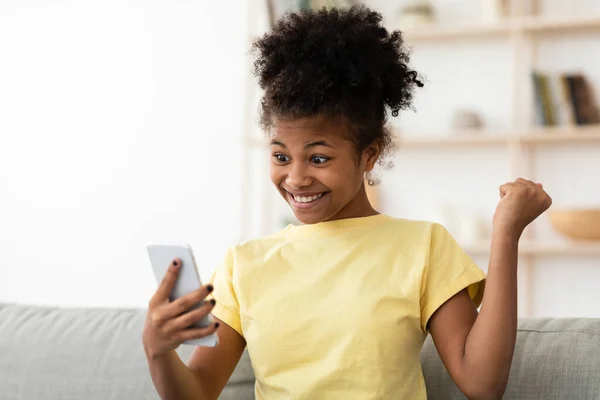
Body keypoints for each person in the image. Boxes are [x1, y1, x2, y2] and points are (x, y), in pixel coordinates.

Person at [142, 5, 552, 400]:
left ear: (368, 155)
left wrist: (506, 232)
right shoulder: (243, 265)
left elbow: (482, 384)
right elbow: (196, 392)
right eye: (281, 156)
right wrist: (157, 350)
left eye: (319, 158)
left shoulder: (423, 246)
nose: (296, 177)